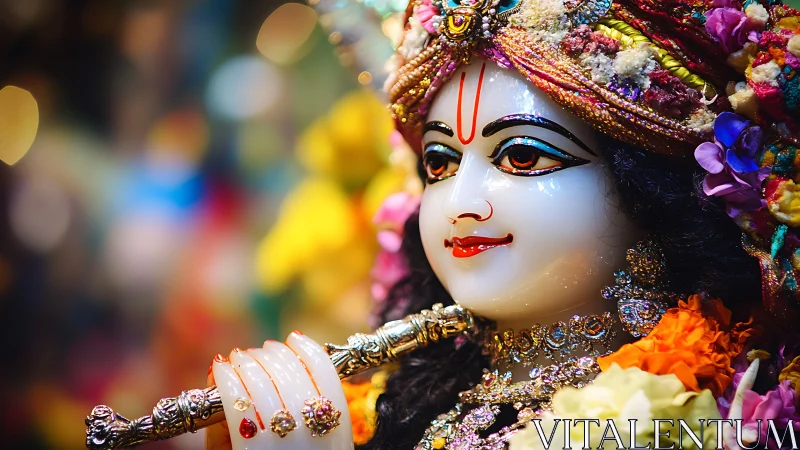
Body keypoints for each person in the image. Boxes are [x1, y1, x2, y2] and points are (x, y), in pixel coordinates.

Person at [207, 0, 800, 448]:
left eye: (521, 156)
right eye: (438, 163)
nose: (460, 202)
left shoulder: (727, 408)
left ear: (649, 187)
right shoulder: (405, 396)